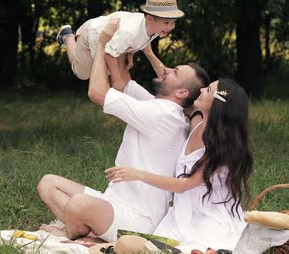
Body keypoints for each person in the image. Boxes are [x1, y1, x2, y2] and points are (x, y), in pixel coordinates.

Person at [36, 19, 210, 242]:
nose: (167, 70)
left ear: (182, 93)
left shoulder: (163, 115)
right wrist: (121, 46)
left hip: (137, 219)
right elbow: (121, 82)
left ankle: (80, 232)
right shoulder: (159, 106)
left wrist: (101, 44)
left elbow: (97, 93)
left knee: (78, 204)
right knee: (48, 183)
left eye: (175, 72)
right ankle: (87, 230)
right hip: (112, 202)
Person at [105, 78, 253, 252]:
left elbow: (184, 185)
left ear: (217, 104)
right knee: (161, 246)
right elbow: (183, 105)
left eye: (208, 90)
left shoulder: (220, 148)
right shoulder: (198, 124)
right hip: (182, 211)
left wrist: (138, 174)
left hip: (207, 214)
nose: (201, 89)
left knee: (195, 248)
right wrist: (153, 59)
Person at [56, 0, 184, 81]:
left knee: (103, 72)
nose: (171, 27)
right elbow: (109, 53)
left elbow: (141, 39)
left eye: (173, 22)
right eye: (167, 22)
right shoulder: (130, 31)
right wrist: (117, 80)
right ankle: (68, 36)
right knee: (83, 74)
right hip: (91, 34)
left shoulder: (155, 29)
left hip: (107, 40)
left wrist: (131, 53)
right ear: (150, 19)